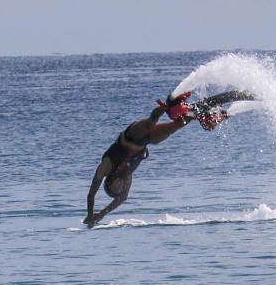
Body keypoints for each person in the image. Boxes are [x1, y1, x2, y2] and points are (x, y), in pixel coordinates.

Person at [84, 92, 195, 228]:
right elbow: (122, 198)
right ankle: (198, 111)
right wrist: (102, 214)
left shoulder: (107, 166)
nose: (120, 187)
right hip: (146, 141)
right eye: (119, 189)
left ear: (109, 182)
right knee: (177, 125)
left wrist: (90, 215)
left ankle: (167, 106)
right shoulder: (127, 177)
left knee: (150, 123)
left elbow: (91, 195)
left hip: (131, 135)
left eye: (115, 187)